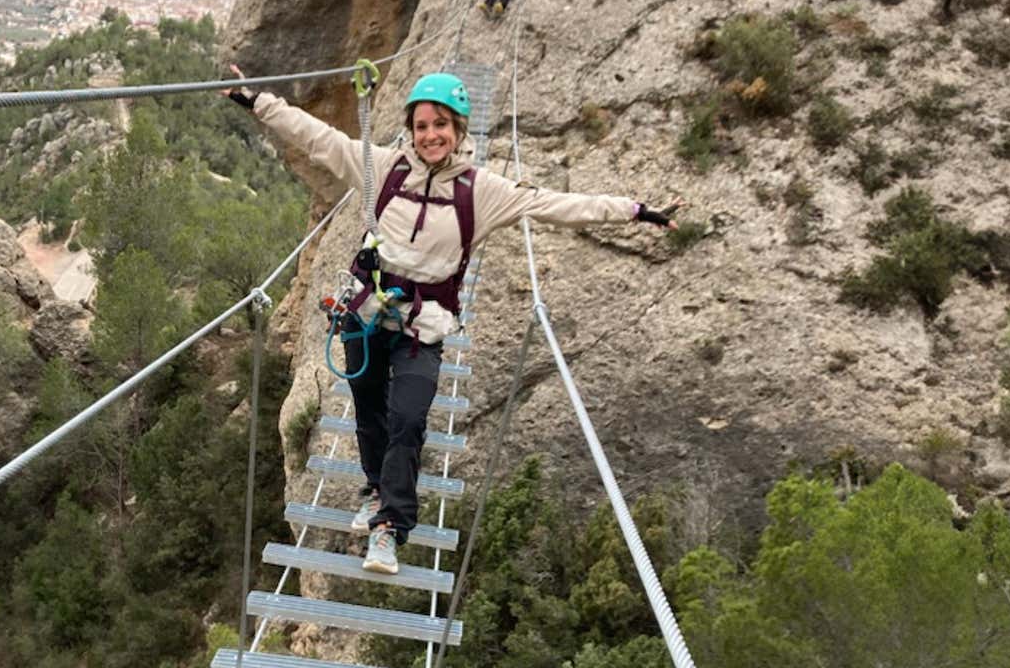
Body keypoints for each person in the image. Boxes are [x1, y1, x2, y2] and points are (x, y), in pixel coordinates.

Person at [226, 67, 679, 576]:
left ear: (459, 130)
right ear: (410, 130)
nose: (431, 135)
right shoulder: (383, 168)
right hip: (367, 318)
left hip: (424, 328)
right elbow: (317, 138)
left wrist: (637, 211)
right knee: (370, 412)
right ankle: (375, 490)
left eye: (441, 124)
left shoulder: (480, 191)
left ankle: (389, 528)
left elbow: (559, 206)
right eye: (422, 126)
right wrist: (256, 100)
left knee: (409, 418)